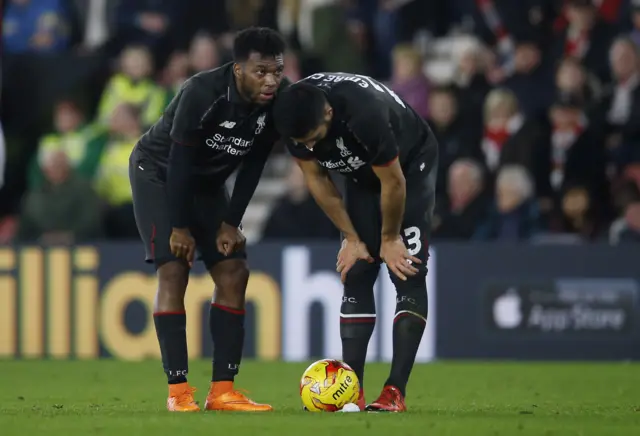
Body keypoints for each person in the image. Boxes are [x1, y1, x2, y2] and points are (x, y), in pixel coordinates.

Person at [129, 27, 287, 413]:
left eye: (277, 71)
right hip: (160, 173)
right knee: (174, 269)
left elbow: (254, 163)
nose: (270, 80)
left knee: (235, 271)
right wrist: (180, 227)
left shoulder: (277, 101)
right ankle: (178, 392)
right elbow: (180, 163)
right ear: (238, 70)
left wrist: (231, 221)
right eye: (261, 71)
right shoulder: (201, 92)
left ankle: (223, 391)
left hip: (208, 183)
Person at [272, 72, 438, 412]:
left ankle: (395, 391)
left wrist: (389, 238)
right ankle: (352, 390)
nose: (311, 148)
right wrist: (351, 237)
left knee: (407, 270)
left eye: (315, 138)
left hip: (409, 164)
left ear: (328, 114)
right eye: (303, 143)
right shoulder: (292, 116)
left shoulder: (365, 114)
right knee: (359, 269)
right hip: (362, 175)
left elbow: (393, 183)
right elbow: (316, 178)